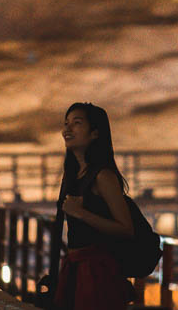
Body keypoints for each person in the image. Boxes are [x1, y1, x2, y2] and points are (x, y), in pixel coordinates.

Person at [55, 103, 134, 310]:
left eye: (77, 123)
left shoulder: (102, 176)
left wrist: (80, 213)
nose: (67, 130)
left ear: (95, 133)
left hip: (96, 272)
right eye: (66, 124)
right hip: (75, 266)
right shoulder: (73, 175)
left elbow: (126, 228)